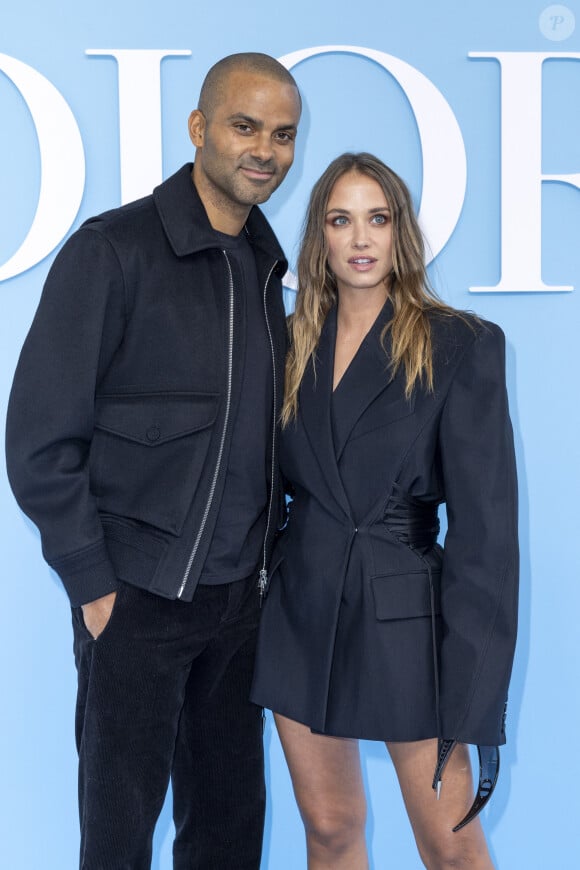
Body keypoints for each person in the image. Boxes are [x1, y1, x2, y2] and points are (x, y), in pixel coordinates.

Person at [5, 52, 301, 870]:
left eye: (282, 135)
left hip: (241, 604)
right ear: (200, 129)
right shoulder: (113, 250)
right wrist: (94, 586)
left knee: (228, 834)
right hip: (136, 597)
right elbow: (37, 436)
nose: (265, 151)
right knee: (118, 839)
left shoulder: (267, 264)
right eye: (245, 127)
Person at [251, 152, 518, 869]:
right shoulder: (283, 343)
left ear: (400, 232)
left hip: (410, 628)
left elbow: (487, 532)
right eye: (341, 220)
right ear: (320, 238)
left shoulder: (460, 343)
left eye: (378, 218)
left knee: (451, 848)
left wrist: (472, 685)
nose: (361, 238)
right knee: (331, 830)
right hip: (301, 615)